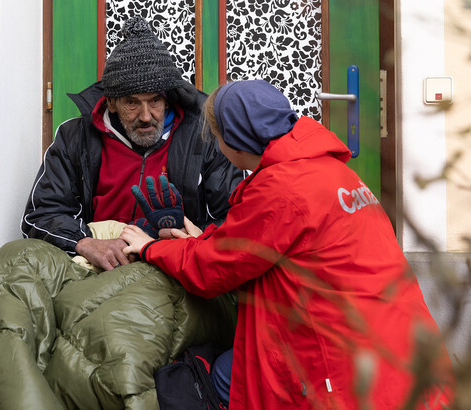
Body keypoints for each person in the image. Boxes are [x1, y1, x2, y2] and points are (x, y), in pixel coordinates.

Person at [121, 80, 454, 409]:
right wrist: (204, 240)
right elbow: (269, 243)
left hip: (345, 366)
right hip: (401, 343)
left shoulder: (282, 186)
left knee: (207, 381)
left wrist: (151, 247)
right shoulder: (331, 170)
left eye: (217, 137)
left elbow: (212, 268)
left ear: (235, 142)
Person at [21, 16, 242, 272]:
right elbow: (41, 216)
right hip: (94, 266)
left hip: (173, 266)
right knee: (12, 262)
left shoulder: (205, 138)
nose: (146, 116)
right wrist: (85, 243)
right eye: (132, 102)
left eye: (155, 101)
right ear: (111, 102)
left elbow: (235, 220)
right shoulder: (75, 137)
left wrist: (179, 239)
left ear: (168, 100)